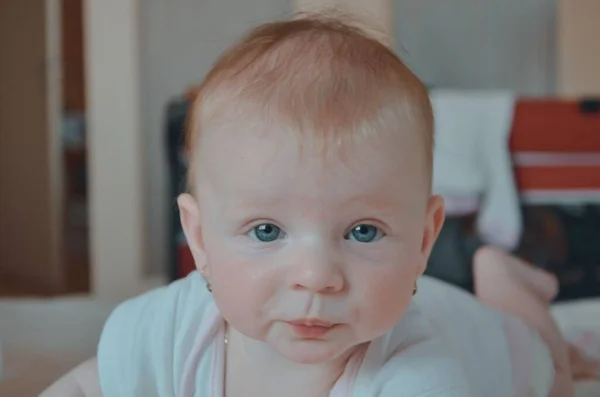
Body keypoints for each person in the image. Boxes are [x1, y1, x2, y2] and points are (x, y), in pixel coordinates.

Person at [41, 14, 598, 397]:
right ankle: (490, 269)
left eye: (362, 231)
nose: (316, 277)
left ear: (425, 238)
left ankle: (511, 288)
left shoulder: (420, 374)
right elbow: (90, 386)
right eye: (265, 231)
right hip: (420, 296)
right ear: (201, 238)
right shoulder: (171, 329)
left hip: (481, 334)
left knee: (552, 373)